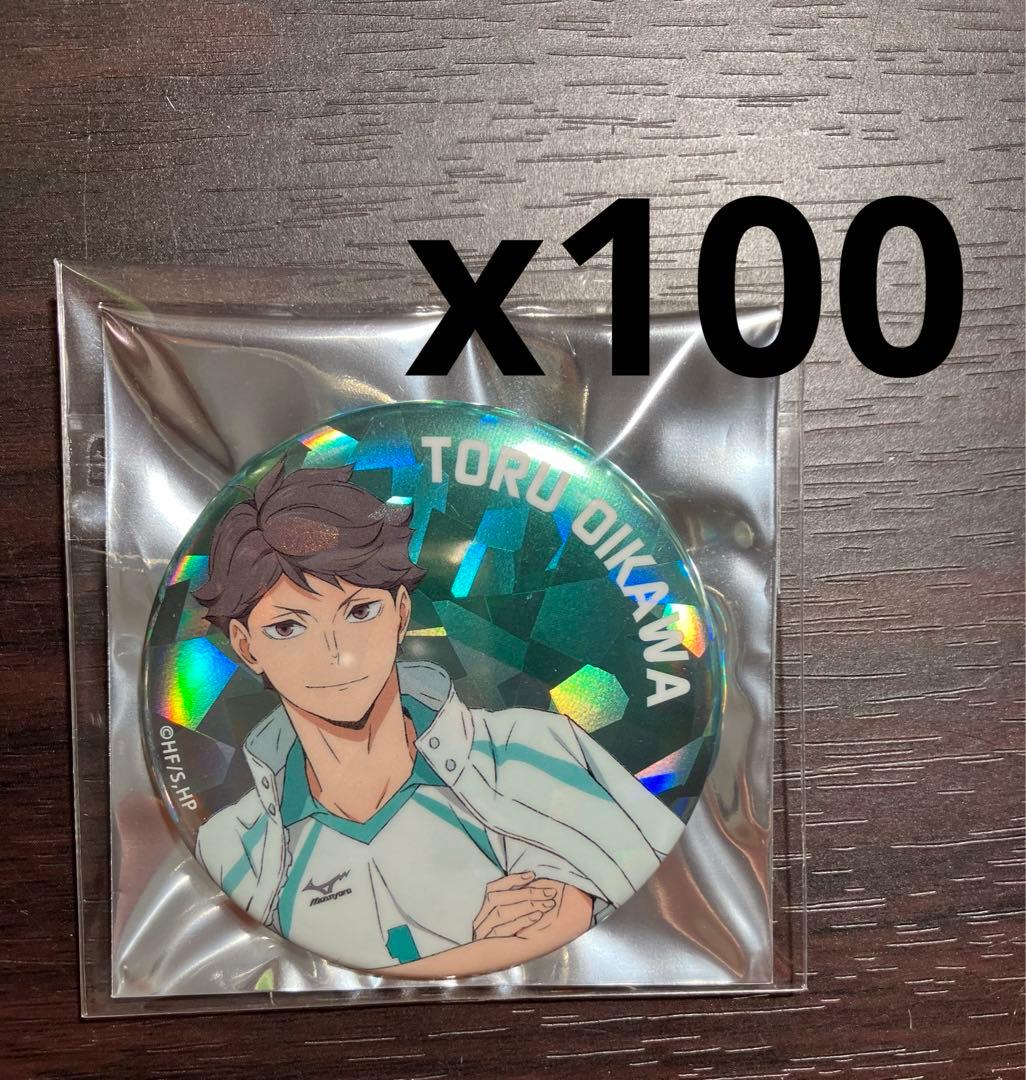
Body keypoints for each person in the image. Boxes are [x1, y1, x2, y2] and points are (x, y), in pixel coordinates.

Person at [193, 460, 684, 976]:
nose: (337, 655)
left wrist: (566, 909)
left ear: (401, 613)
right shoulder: (232, 846)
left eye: (359, 612)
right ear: (246, 647)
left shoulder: (532, 747)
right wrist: (487, 950)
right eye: (289, 627)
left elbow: (651, 899)